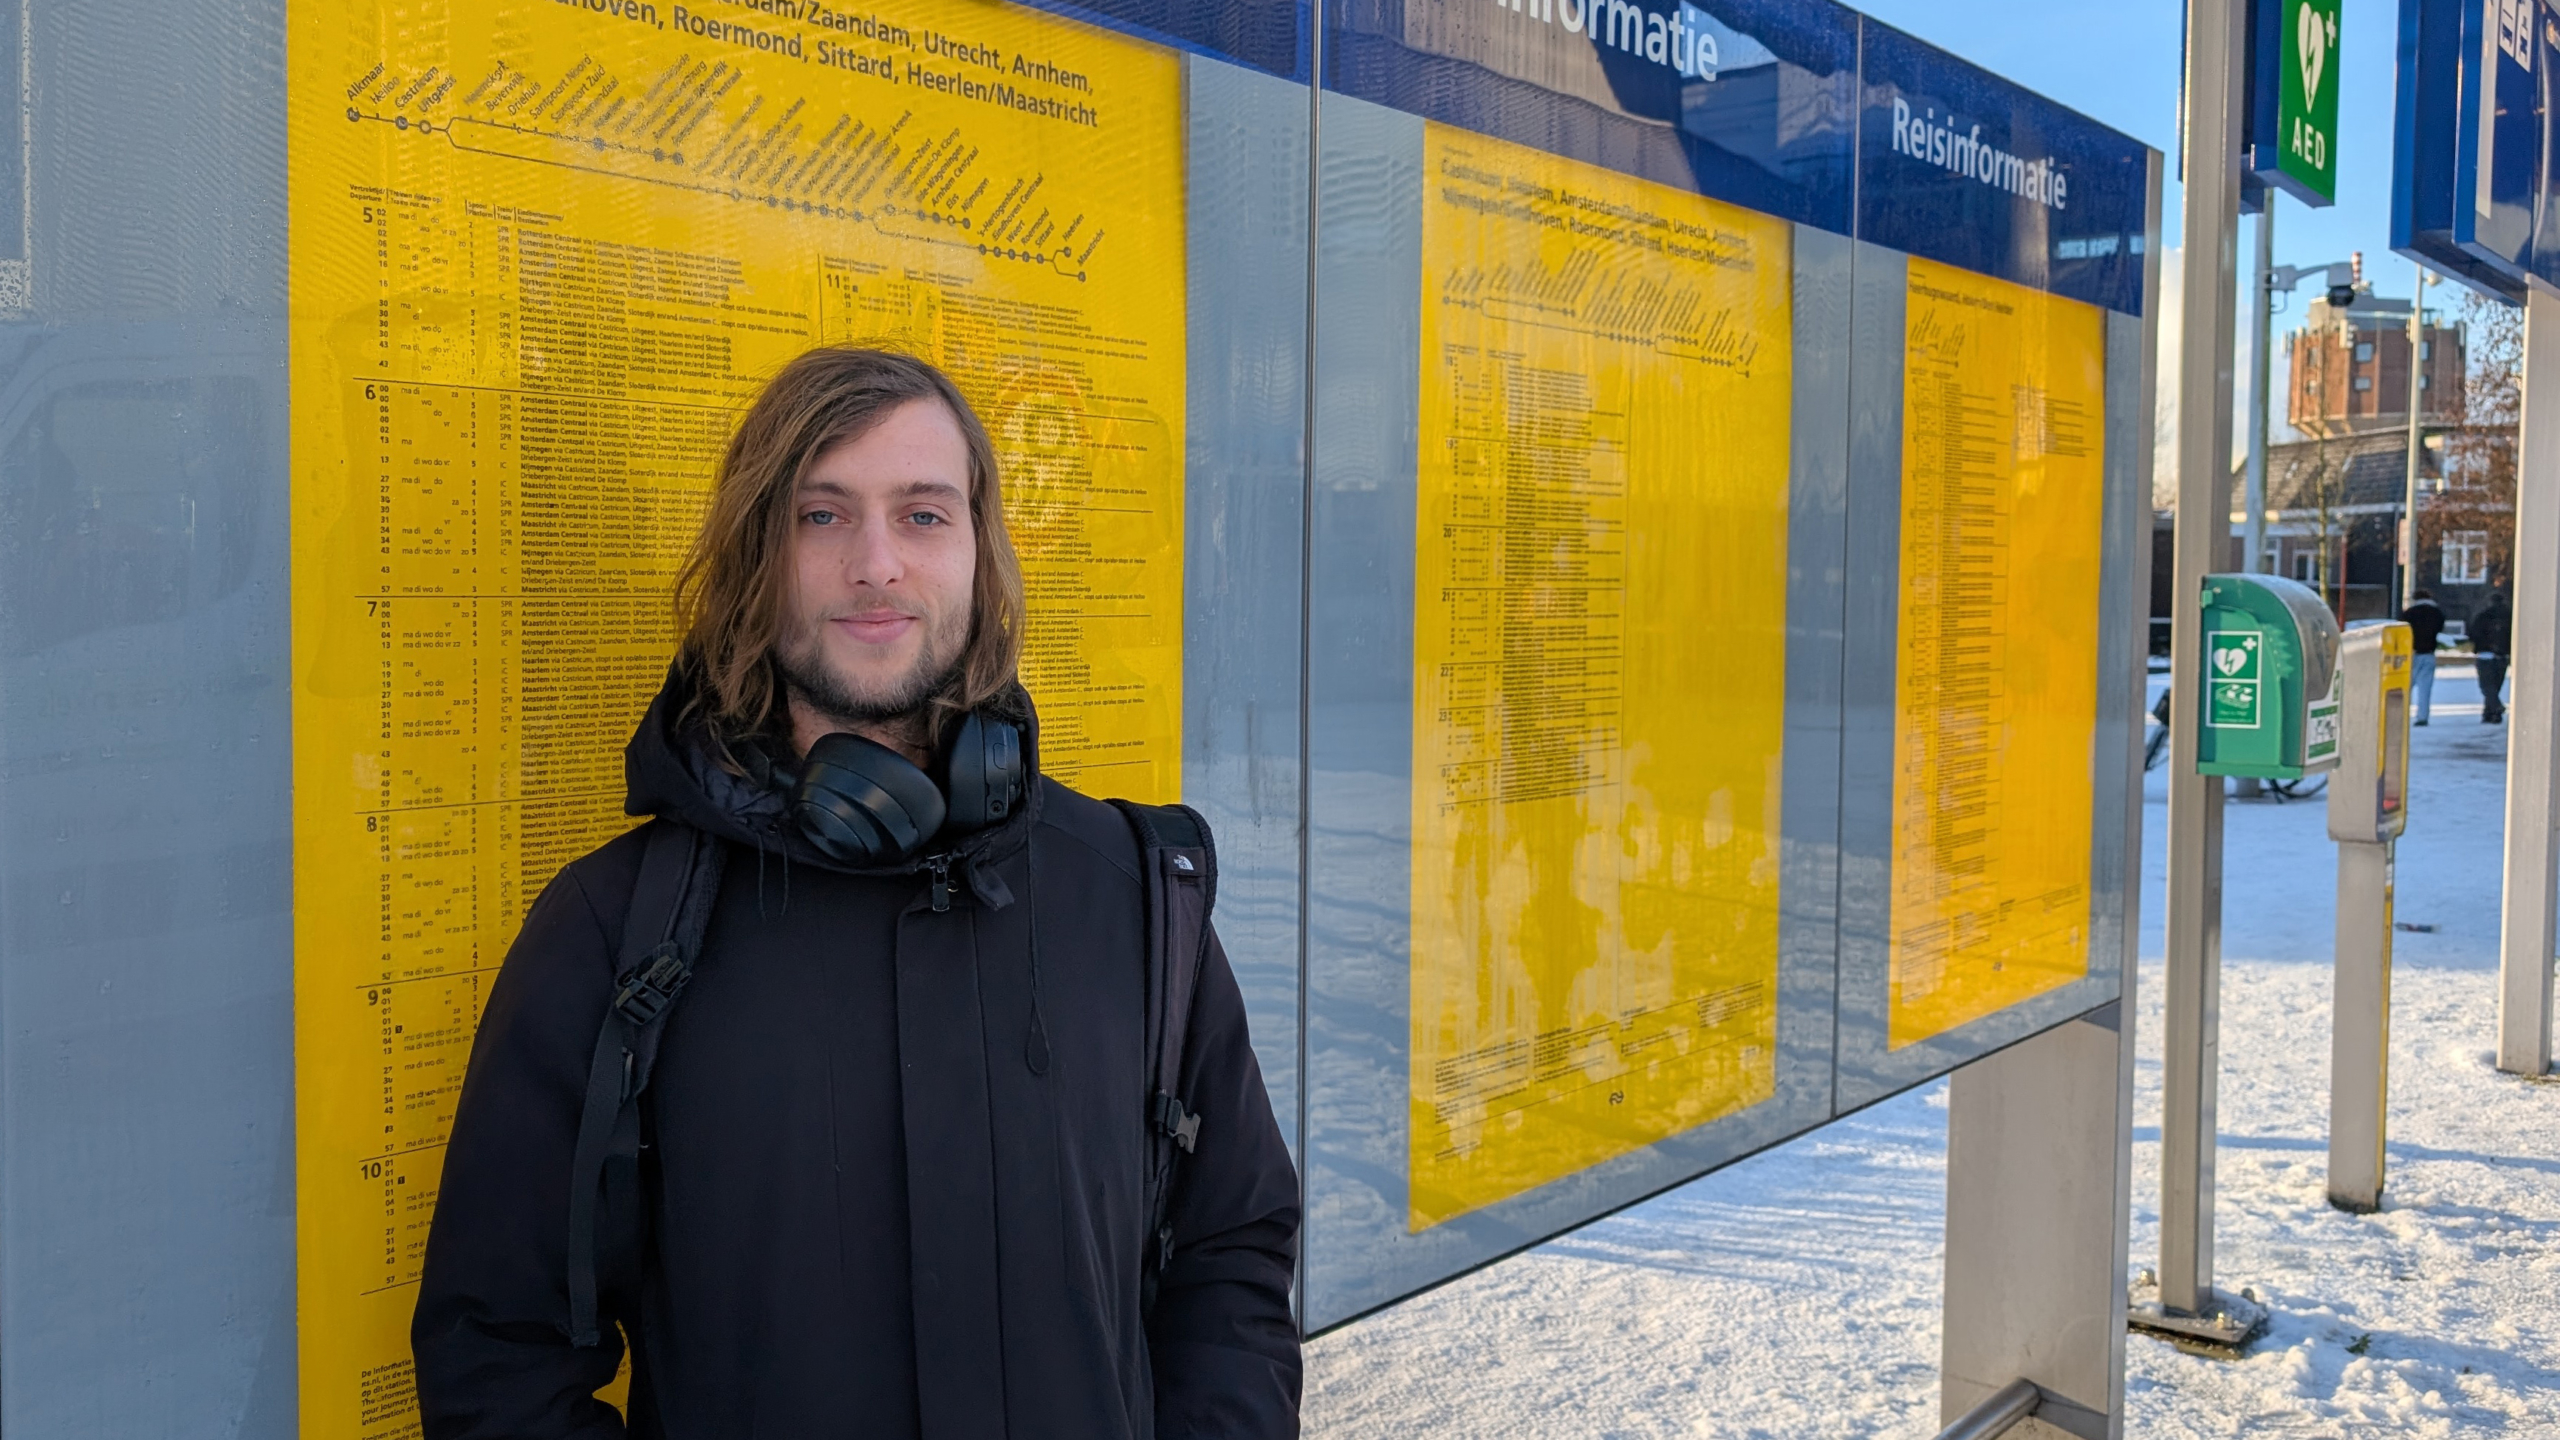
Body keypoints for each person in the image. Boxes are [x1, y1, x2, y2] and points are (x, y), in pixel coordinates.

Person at [412, 349, 1302, 1438]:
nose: (876, 564)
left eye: (922, 515)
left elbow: (1231, 1253)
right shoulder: (616, 933)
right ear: (759, 557)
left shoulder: (1132, 893)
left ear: (980, 553)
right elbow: (500, 1359)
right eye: (821, 516)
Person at [2404, 589, 2447, 725]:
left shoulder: (2409, 613)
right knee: (2425, 689)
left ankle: (2402, 716)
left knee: (2405, 688)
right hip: (2428, 653)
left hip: (2411, 653)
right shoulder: (2436, 613)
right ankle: (2422, 717)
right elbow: (2439, 628)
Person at [2472, 590, 2513, 724]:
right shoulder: (2509, 617)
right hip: (2502, 656)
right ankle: (2491, 714)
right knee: (2495, 686)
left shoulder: (2483, 616)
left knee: (2487, 686)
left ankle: (2495, 707)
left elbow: (2474, 633)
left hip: (2485, 655)